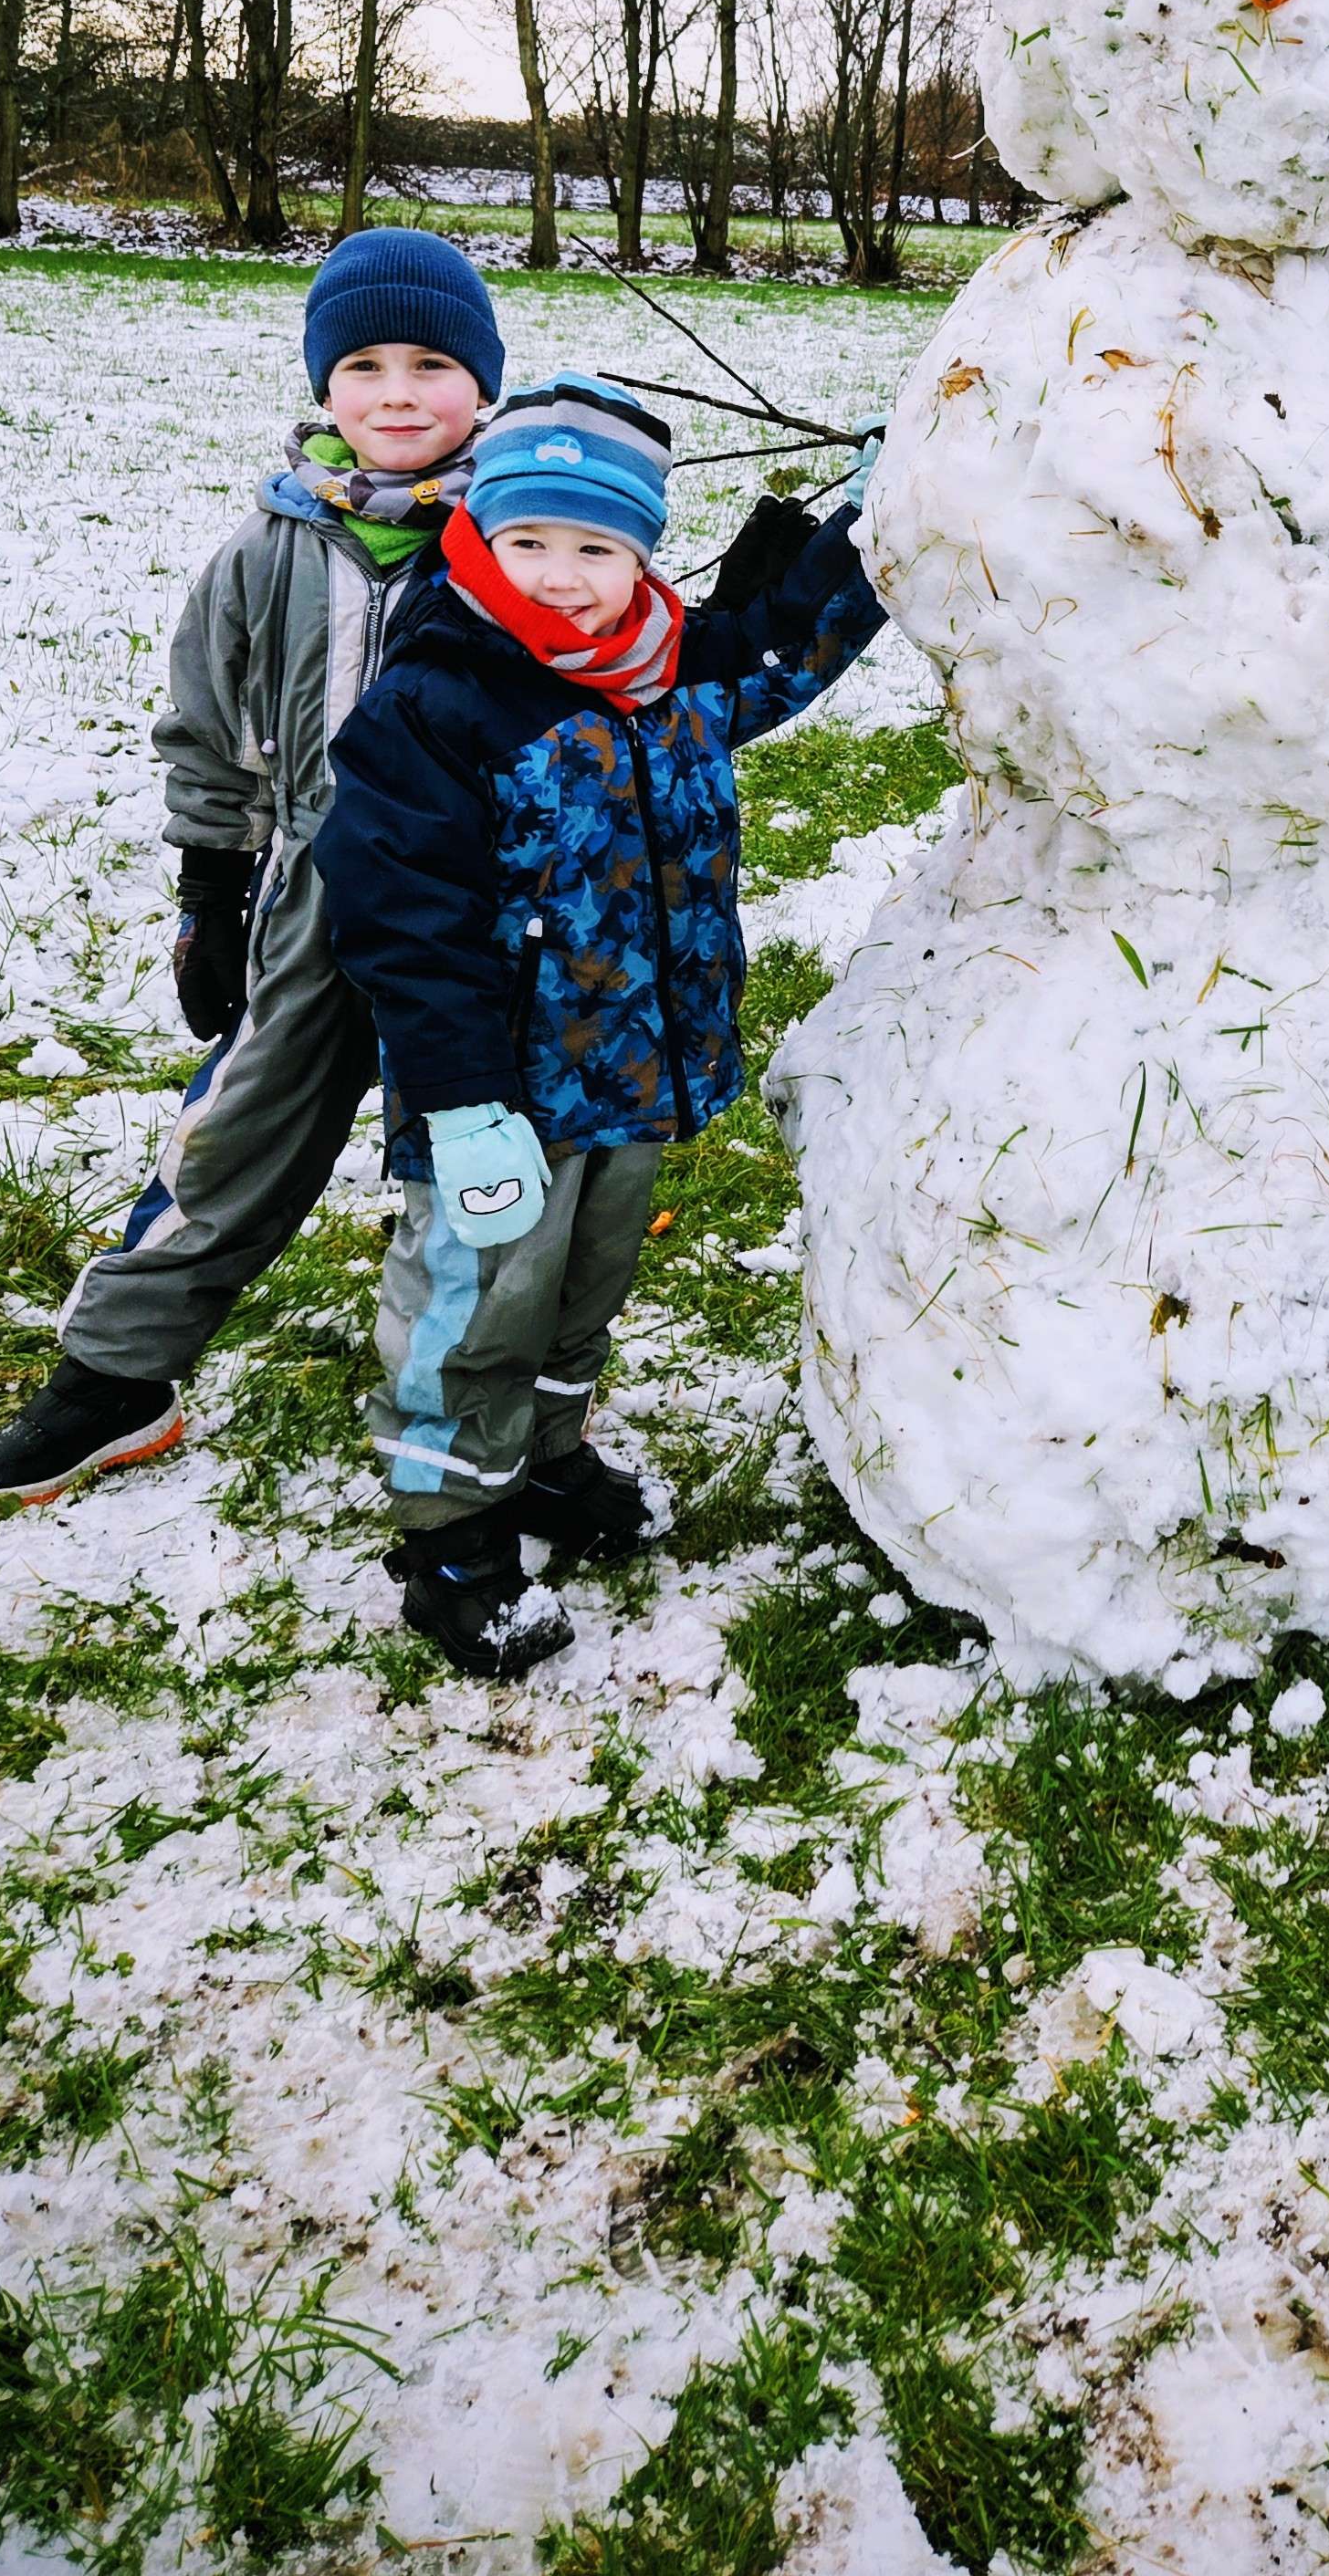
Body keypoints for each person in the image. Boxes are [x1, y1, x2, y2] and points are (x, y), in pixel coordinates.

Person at [311, 374, 885, 1678]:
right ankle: (453, 1533)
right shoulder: (444, 700)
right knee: (478, 1301)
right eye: (530, 543)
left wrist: (868, 519)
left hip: (630, 1070)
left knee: (583, 1287)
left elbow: (780, 645)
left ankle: (547, 1460)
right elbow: (401, 918)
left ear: (640, 552)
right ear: (480, 535)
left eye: (596, 547)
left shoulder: (666, 665)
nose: (563, 578)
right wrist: (458, 1103)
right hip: (496, 1091)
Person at [0, 228, 508, 1514]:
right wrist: (213, 887)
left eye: (432, 363)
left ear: (482, 384)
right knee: (239, 1129)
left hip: (485, 908)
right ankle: (117, 1374)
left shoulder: (522, 536)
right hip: (315, 891)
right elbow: (209, 730)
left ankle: (490, 1415)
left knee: (477, 1164)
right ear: (325, 388)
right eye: (362, 364)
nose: (398, 392)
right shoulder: (265, 551)